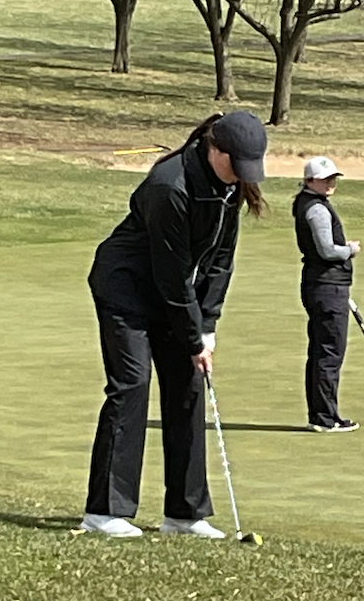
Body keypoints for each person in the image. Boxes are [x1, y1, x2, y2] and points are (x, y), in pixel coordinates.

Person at [81, 111, 269, 538]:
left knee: (187, 388)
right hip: (126, 290)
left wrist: (209, 326)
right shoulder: (170, 186)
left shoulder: (229, 187)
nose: (242, 177)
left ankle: (184, 514)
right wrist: (192, 334)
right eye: (236, 165)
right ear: (214, 149)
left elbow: (221, 260)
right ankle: (103, 511)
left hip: (174, 296)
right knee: (131, 385)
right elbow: (171, 273)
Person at [294, 155, 360, 433]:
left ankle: (321, 414)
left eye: (333, 177)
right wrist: (350, 250)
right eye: (324, 179)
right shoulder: (316, 209)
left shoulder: (310, 203)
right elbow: (327, 250)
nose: (331, 182)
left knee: (322, 352)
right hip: (326, 287)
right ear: (310, 181)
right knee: (330, 353)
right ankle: (325, 417)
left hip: (322, 285)